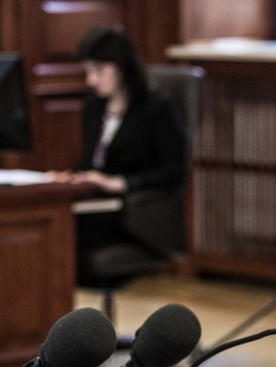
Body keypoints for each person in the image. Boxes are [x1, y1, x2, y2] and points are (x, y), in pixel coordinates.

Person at [52, 27, 186, 284]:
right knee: (51, 223)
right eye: (88, 71)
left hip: (134, 211)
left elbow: (173, 172)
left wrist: (122, 183)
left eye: (99, 71)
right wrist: (73, 177)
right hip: (95, 203)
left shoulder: (157, 108)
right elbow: (92, 162)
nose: (91, 80)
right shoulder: (93, 107)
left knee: (60, 234)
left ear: (122, 68)